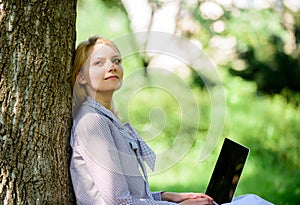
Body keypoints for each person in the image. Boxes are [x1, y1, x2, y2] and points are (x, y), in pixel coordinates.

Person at [70, 36, 274, 205]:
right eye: (99, 62)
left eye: (116, 60)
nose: (112, 66)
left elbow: (132, 197)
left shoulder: (110, 120)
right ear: (81, 77)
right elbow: (119, 202)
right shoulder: (93, 123)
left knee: (247, 199)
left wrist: (169, 196)